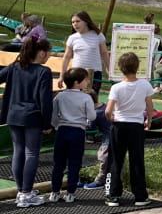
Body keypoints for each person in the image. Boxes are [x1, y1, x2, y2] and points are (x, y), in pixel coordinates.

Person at [0, 37, 53, 208]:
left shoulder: (15, 67)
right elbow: (45, 101)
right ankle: (26, 193)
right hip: (32, 117)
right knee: (31, 154)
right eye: (48, 53)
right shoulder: (43, 72)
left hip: (13, 115)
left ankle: (21, 191)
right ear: (42, 53)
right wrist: (47, 123)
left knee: (18, 152)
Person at [104, 52, 154, 207]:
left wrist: (110, 118)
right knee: (137, 160)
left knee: (115, 160)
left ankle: (113, 195)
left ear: (120, 68)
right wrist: (149, 120)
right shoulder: (145, 85)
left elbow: (108, 110)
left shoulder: (116, 87)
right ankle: (140, 196)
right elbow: (150, 106)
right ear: (137, 67)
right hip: (136, 125)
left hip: (119, 125)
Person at [49, 67, 94, 203]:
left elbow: (53, 115)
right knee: (75, 163)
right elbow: (91, 115)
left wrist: (57, 125)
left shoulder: (60, 96)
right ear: (77, 82)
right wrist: (85, 122)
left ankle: (55, 192)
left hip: (62, 130)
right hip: (78, 131)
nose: (87, 82)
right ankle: (70, 193)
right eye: (85, 80)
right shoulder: (86, 97)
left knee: (59, 163)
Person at [60, 11, 110, 94]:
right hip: (76, 74)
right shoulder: (72, 38)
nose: (75, 24)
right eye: (73, 22)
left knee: (92, 98)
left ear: (86, 21)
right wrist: (62, 76)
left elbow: (104, 53)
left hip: (95, 73)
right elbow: (67, 57)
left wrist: (109, 69)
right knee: (75, 98)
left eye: (78, 21)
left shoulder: (98, 35)